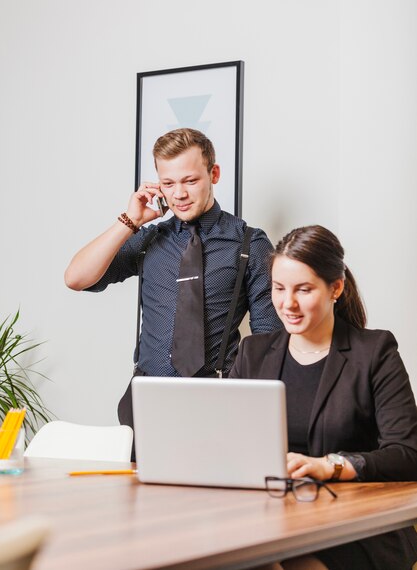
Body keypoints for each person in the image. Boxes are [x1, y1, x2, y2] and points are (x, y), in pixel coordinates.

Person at [65, 127, 281, 427]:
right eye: (168, 183)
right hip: (145, 399)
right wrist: (131, 221)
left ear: (213, 174)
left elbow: (268, 340)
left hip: (219, 401)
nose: (179, 194)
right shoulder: (149, 239)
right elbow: (76, 278)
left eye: (190, 180)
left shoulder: (250, 244)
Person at [230, 224, 417, 570]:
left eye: (304, 290)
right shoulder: (252, 353)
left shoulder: (374, 352)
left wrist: (330, 466)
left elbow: (407, 454)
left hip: (359, 525)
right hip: (271, 518)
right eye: (279, 288)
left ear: (336, 288)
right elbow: (227, 441)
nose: (288, 304)